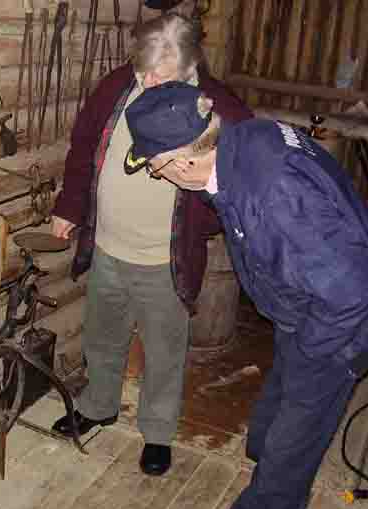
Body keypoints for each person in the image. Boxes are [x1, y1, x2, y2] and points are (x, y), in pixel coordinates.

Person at [123, 82, 368, 509]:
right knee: (271, 425)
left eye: (156, 168)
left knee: (292, 444)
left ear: (186, 160)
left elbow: (351, 290)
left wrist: (310, 351)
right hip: (306, 309)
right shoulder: (244, 139)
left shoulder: (274, 195)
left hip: (345, 326)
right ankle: (266, 457)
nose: (158, 176)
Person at [48, 13, 252, 476]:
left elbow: (239, 173)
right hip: (109, 245)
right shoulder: (117, 88)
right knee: (102, 337)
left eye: (161, 76)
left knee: (164, 350)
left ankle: (158, 432)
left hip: (164, 258)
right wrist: (69, 206)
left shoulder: (219, 106)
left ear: (189, 67)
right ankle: (98, 405)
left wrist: (203, 222)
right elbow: (83, 146)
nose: (148, 83)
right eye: (144, 72)